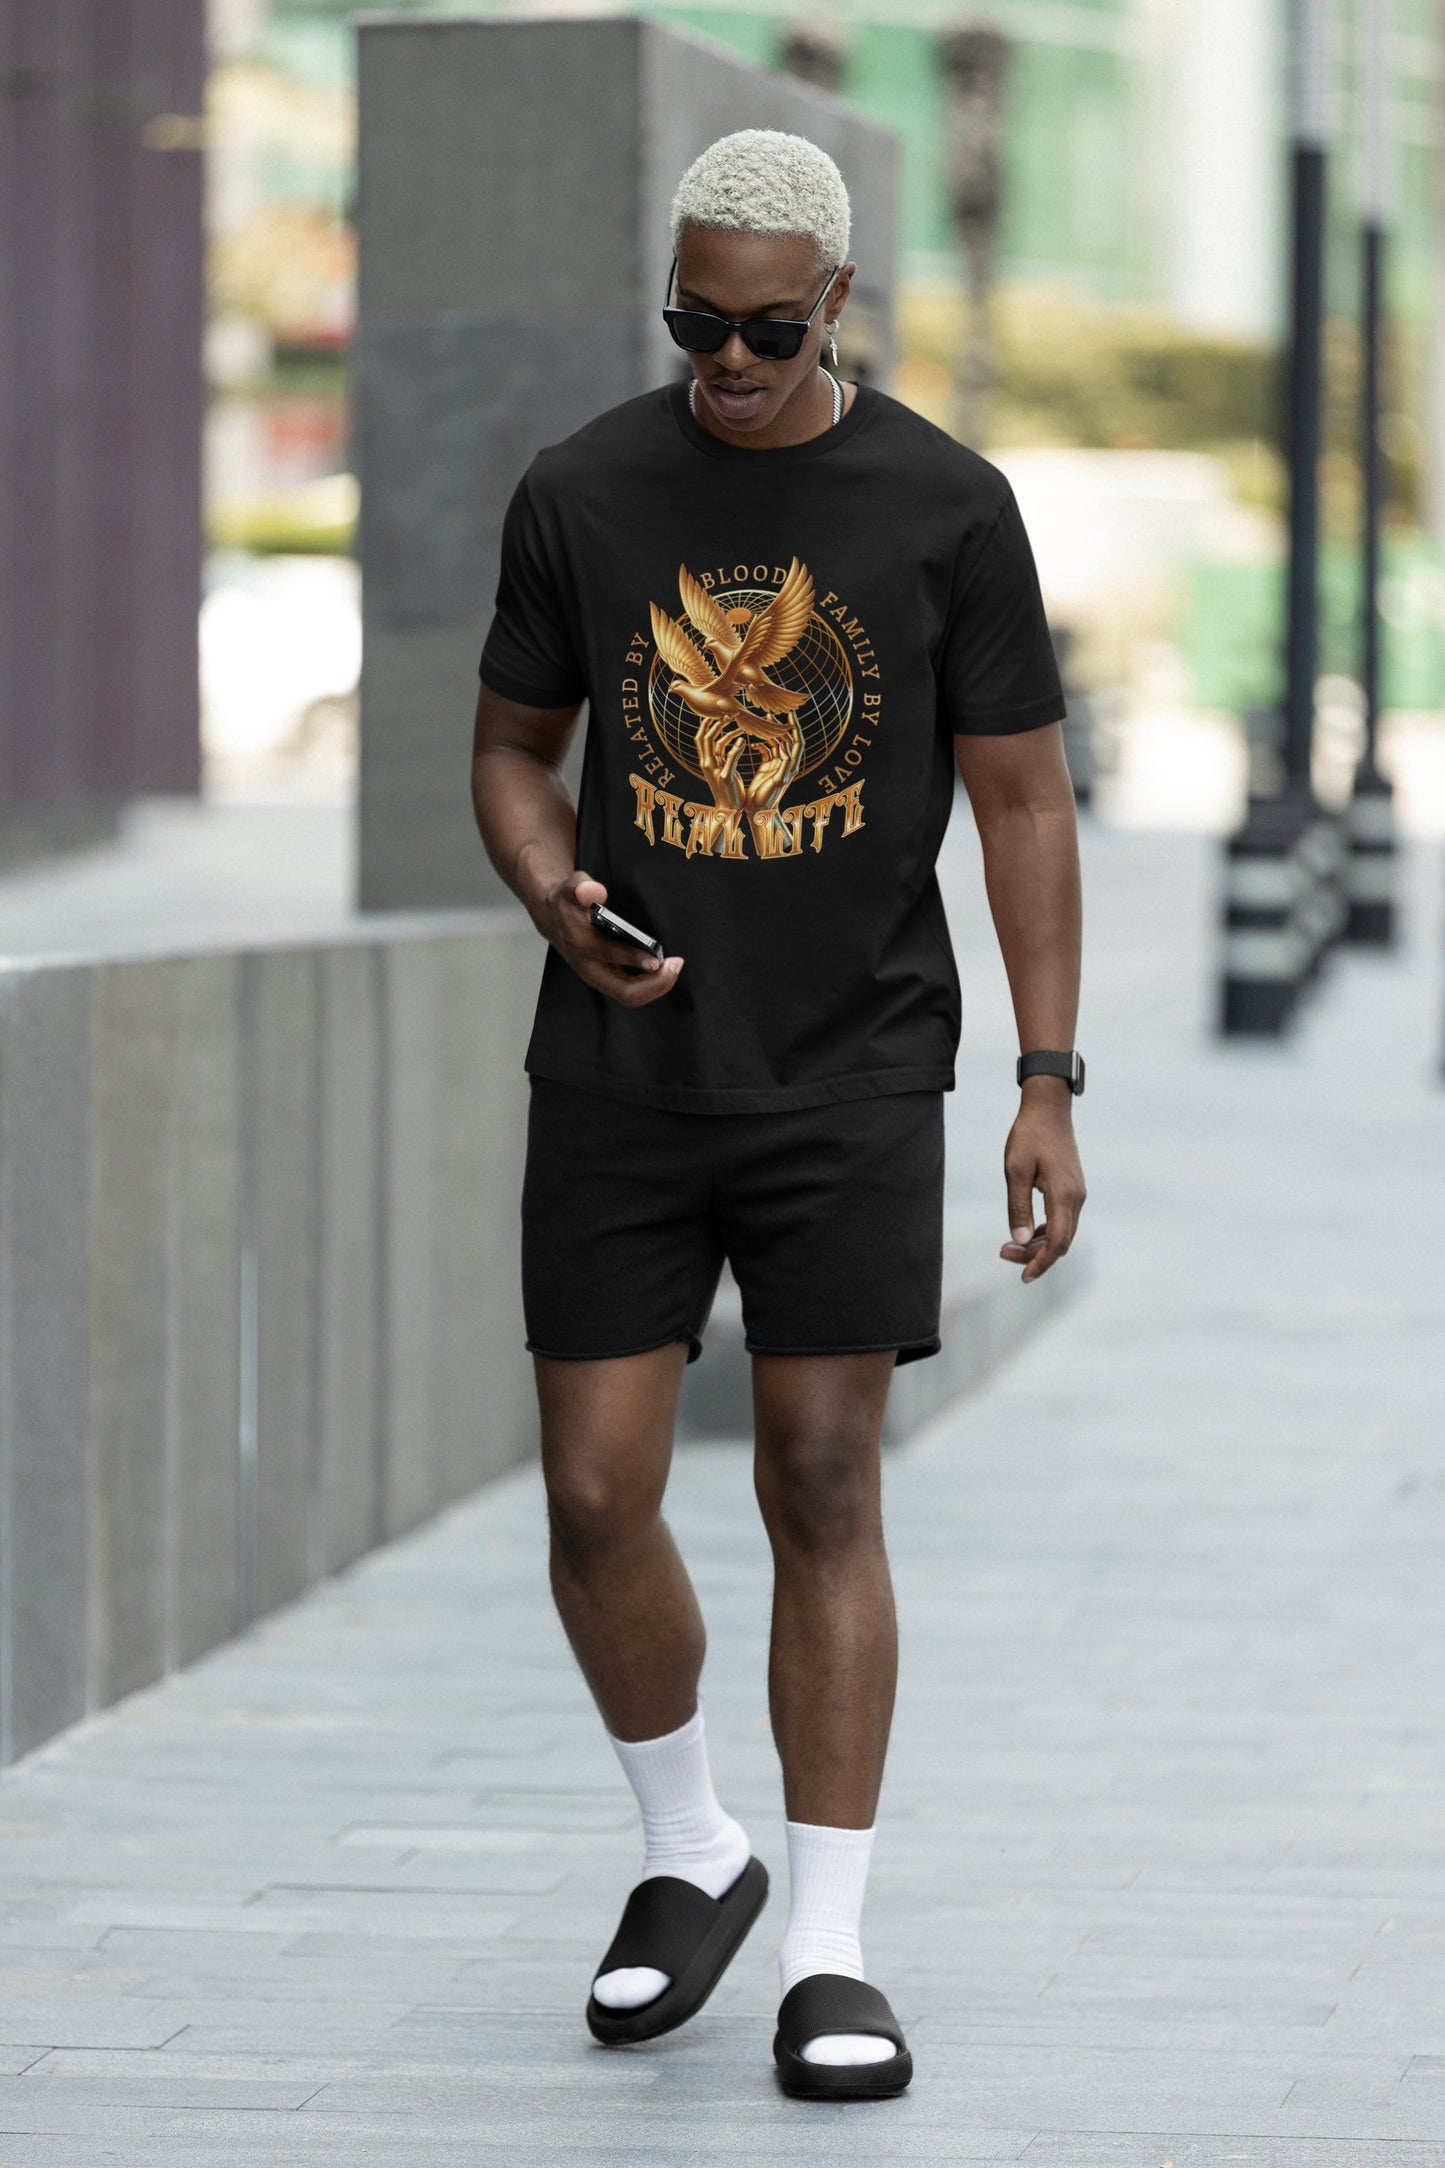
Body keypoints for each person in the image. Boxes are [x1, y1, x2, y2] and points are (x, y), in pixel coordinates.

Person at [470, 128, 1085, 2101]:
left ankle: (828, 1945)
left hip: (851, 1069)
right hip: (625, 1074)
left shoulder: (944, 507)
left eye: (759, 329)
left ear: (833, 304)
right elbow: (509, 751)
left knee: (824, 1480)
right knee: (591, 1491)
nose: (722, 363)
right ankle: (693, 1854)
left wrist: (1046, 1082)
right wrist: (558, 897)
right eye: (691, 324)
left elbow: (1022, 805)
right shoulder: (581, 491)